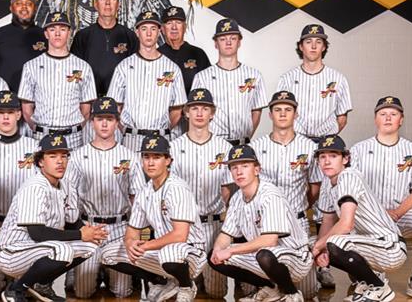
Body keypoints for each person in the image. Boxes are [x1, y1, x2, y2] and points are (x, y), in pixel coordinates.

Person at [277, 24, 352, 288]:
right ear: (301, 46)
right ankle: (288, 255)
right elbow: (281, 111)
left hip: (323, 146)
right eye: (308, 41)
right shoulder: (288, 78)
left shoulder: (337, 78)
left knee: (325, 207)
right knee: (296, 199)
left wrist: (327, 143)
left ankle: (323, 265)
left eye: (318, 42)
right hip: (296, 142)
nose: (313, 46)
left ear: (324, 46)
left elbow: (341, 117)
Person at [349, 97, 412, 301]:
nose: (388, 117)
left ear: (401, 120)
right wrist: (375, 214)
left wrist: (398, 212)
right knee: (348, 234)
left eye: (393, 114)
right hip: (369, 218)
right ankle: (367, 278)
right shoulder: (358, 150)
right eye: (383, 114)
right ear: (375, 119)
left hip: (401, 213)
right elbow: (350, 188)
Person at [0, 133, 107, 302]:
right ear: (41, 161)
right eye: (53, 156)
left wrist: (90, 232)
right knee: (62, 250)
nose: (60, 161)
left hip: (38, 248)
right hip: (12, 251)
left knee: (90, 246)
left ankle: (41, 284)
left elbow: (72, 222)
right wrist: (80, 235)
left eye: (64, 156)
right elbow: (37, 233)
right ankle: (15, 290)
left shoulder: (66, 184)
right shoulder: (35, 187)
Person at [100, 134, 207, 302]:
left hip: (190, 252)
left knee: (169, 253)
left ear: (168, 160)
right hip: (163, 251)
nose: (150, 162)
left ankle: (186, 285)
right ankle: (162, 281)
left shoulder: (177, 188)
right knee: (108, 254)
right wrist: (130, 244)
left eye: (156, 157)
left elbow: (180, 235)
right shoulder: (145, 191)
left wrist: (146, 245)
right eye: (146, 157)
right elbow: (132, 231)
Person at [64, 96, 146, 299]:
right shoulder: (77, 156)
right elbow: (69, 196)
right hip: (88, 225)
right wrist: (78, 229)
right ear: (92, 121)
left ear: (117, 123)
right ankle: (97, 270)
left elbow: (138, 198)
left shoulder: (129, 156)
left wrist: (133, 230)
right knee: (82, 292)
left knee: (122, 291)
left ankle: (108, 272)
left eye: (109, 119)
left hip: (119, 227)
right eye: (99, 118)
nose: (104, 124)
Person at [208, 144, 312, 302]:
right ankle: (270, 288)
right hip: (266, 255)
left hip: (296, 256)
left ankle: (292, 293)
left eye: (245, 166)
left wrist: (231, 251)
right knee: (214, 257)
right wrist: (218, 251)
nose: (239, 171)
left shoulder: (270, 195)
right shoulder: (237, 198)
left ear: (257, 170)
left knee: (264, 255)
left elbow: (270, 240)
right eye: (234, 167)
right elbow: (226, 234)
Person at [312, 135, 406, 302]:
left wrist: (319, 246)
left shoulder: (348, 176)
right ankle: (368, 283)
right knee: (315, 243)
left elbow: (346, 225)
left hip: (389, 246)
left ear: (345, 159)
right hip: (368, 244)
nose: (327, 161)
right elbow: (327, 221)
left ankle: (378, 287)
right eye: (322, 156)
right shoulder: (327, 182)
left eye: (333, 156)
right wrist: (319, 250)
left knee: (335, 242)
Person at [249, 91, 322, 299]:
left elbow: (314, 186)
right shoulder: (256, 147)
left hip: (296, 221)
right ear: (270, 114)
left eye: (288, 109)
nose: (282, 114)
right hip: (263, 222)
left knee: (308, 291)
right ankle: (273, 288)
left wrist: (300, 206)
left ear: (295, 114)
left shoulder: (309, 147)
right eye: (277, 110)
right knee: (253, 286)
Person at [0, 91, 41, 298]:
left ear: (19, 115)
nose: (5, 117)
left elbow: (42, 190)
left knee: (26, 290)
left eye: (10, 112)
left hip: (25, 228)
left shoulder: (34, 147)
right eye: (1, 112)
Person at [168, 88, 233, 299]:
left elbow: (227, 191)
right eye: (194, 108)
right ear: (186, 112)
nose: (199, 113)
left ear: (212, 113)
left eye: (204, 108)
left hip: (213, 225)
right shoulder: (173, 147)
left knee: (216, 292)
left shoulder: (224, 147)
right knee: (183, 289)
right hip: (184, 226)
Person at [107, 11, 186, 152]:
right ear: (137, 32)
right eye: (144, 29)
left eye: (153, 29)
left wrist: (163, 129)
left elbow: (177, 109)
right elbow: (115, 106)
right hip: (131, 138)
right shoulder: (124, 66)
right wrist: (125, 129)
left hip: (160, 137)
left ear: (159, 32)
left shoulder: (172, 68)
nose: (149, 33)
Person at [19, 11, 96, 149]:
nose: (57, 33)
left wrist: (76, 128)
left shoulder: (83, 67)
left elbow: (86, 108)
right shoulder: (31, 66)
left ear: (69, 33)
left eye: (62, 29)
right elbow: (26, 108)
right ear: (46, 34)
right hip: (42, 135)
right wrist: (37, 129)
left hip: (73, 137)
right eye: (52, 29)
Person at [191, 18, 267, 146]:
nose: (228, 42)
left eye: (233, 38)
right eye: (222, 39)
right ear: (216, 44)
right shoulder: (202, 77)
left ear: (239, 42)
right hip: (213, 144)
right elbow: (195, 113)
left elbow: (256, 111)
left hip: (242, 143)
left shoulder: (254, 75)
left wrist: (246, 138)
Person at [70, 0, 139, 97]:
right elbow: (74, 70)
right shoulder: (82, 36)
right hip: (90, 98)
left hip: (121, 99)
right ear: (95, 4)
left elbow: (136, 71)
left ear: (118, 5)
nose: (107, 3)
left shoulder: (130, 36)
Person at [0, 0, 47, 92]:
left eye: (29, 4)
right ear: (11, 8)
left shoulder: (46, 36)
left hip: (39, 97)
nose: (24, 7)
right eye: (18, 3)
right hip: (4, 99)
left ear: (35, 8)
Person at [158, 6, 210, 97]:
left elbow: (209, 85)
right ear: (162, 29)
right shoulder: (155, 55)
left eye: (178, 23)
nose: (174, 27)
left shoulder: (198, 54)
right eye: (169, 23)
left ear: (185, 27)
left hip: (192, 105)